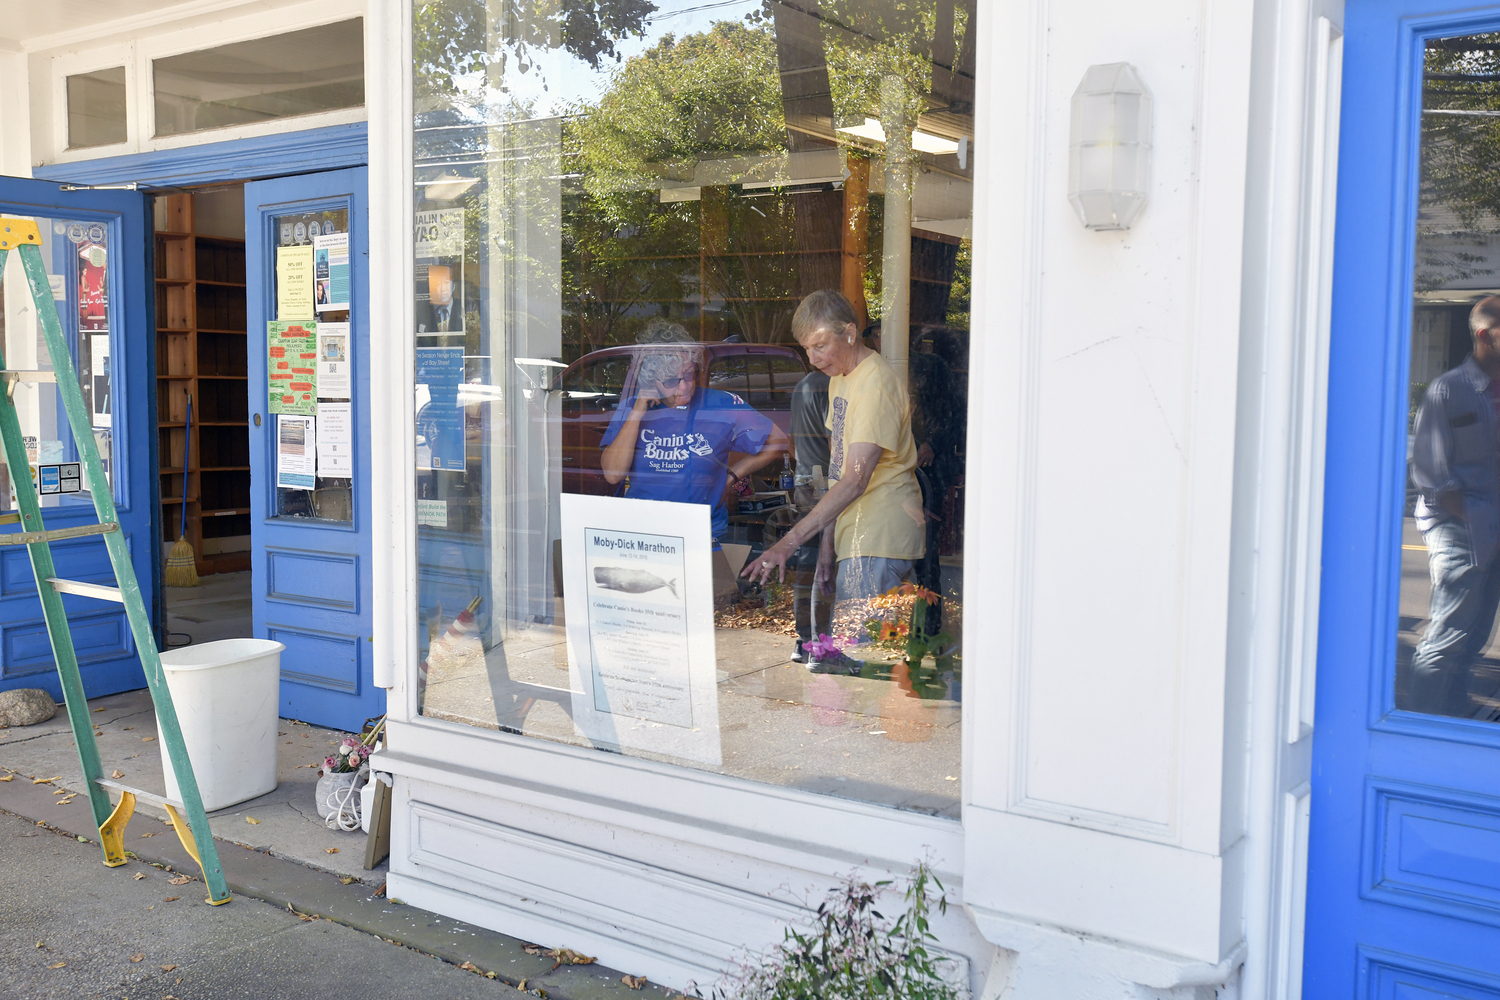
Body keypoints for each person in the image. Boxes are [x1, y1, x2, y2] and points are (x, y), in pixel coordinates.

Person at [742, 291, 925, 648]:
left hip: (879, 536)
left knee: (862, 659)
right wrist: (827, 547)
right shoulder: (843, 377)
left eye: (820, 346)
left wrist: (787, 543)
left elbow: (856, 479)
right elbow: (839, 470)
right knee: (854, 655)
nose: (813, 359)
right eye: (807, 349)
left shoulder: (874, 385)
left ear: (851, 333)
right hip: (856, 535)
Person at [601, 320, 789, 545]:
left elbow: (777, 441)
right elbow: (612, 475)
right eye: (671, 381)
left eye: (689, 374)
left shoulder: (721, 404)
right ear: (652, 380)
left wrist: (732, 477)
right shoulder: (632, 408)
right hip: (644, 535)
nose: (684, 387)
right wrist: (636, 413)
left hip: (703, 534)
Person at [1409, 296, 1500, 716]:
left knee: (1477, 634)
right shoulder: (1449, 390)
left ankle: (1453, 715)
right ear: (1486, 335)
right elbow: (1431, 475)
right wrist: (1477, 517)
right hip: (1459, 527)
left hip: (1494, 527)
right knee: (1446, 636)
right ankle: (1421, 729)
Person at [787, 368, 833, 662]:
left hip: (803, 477)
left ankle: (803, 640)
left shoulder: (801, 385)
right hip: (825, 480)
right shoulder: (831, 385)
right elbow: (836, 444)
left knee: (807, 558)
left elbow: (791, 442)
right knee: (826, 562)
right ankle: (820, 644)